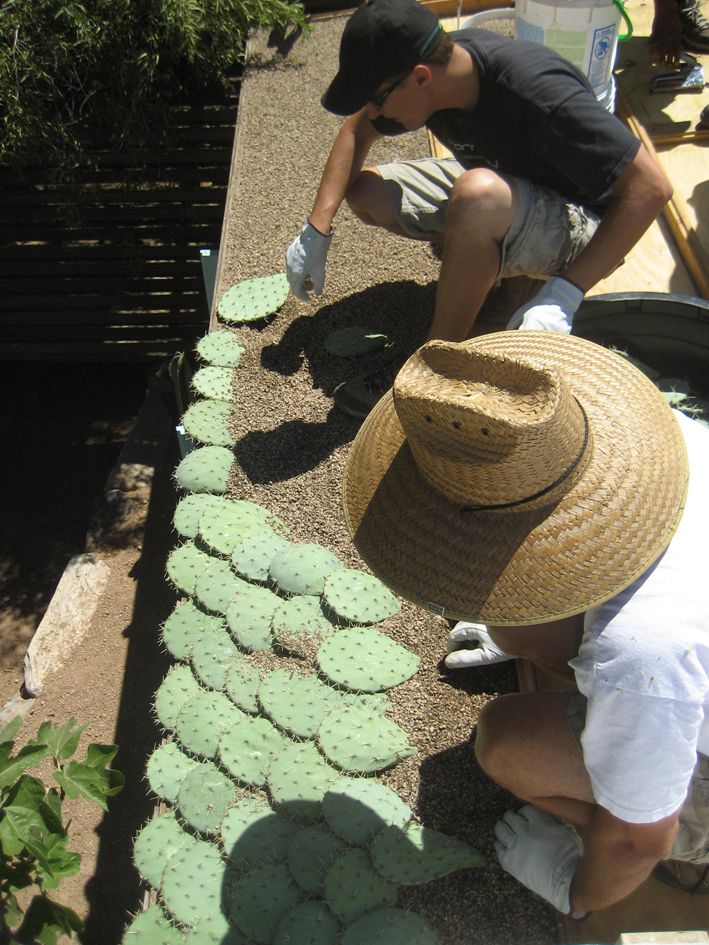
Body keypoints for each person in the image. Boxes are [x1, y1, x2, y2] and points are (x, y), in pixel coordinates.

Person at [340, 328, 709, 915]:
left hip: (676, 709)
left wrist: (577, 890)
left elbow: (645, 836)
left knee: (509, 745)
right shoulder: (669, 437)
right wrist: (519, 622)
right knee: (517, 631)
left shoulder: (642, 651)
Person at [285, 0, 672, 419]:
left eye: (378, 99)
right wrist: (316, 228)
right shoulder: (437, 77)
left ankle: (435, 368)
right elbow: (356, 130)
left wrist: (565, 294)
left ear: (420, 78)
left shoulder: (539, 95)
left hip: (586, 223)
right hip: (504, 187)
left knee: (477, 195)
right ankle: (486, 262)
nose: (375, 112)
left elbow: (650, 188)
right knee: (366, 193)